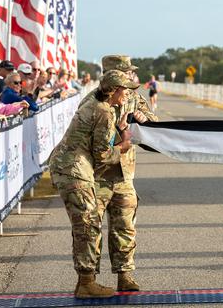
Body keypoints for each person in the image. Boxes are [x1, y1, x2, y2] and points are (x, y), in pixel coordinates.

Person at [48, 70, 140, 299]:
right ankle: (86, 284)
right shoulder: (103, 110)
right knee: (88, 224)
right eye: (125, 90)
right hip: (73, 169)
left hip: (73, 167)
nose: (127, 94)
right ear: (114, 90)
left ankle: (86, 282)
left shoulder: (99, 105)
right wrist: (124, 147)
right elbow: (102, 154)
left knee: (87, 223)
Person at [82, 54, 157, 292]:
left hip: (124, 174)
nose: (131, 75)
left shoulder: (133, 97)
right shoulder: (92, 101)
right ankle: (88, 280)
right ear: (112, 75)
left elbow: (155, 126)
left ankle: (125, 275)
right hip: (97, 173)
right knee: (90, 228)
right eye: (126, 72)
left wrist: (145, 121)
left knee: (125, 226)